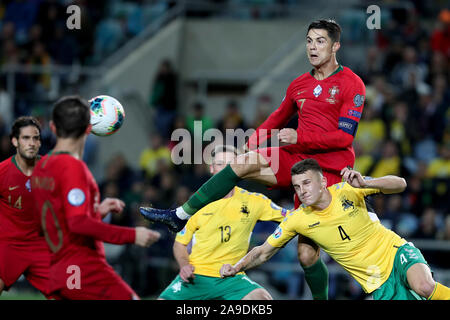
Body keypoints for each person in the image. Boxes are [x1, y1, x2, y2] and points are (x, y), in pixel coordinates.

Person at [141, 19, 366, 300]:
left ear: (335, 46)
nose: (312, 47)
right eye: (309, 40)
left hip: (329, 170)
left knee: (307, 256)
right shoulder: (299, 85)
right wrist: (248, 146)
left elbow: (344, 139)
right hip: (296, 161)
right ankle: (180, 215)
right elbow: (275, 118)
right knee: (241, 163)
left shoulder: (352, 84)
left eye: (320, 41)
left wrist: (300, 139)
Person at [220, 159, 450, 300]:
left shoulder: (348, 189)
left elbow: (401, 183)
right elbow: (263, 251)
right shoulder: (298, 219)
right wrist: (237, 267)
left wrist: (368, 182)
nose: (302, 191)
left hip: (395, 251)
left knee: (424, 286)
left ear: (322, 182)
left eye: (307, 183)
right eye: (297, 186)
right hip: (377, 282)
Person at [31, 96, 161, 300]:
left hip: (56, 269)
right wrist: (132, 235)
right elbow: (77, 223)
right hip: (83, 269)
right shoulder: (73, 168)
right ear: (88, 129)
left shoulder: (41, 167)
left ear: (52, 127)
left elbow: (57, 218)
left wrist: (96, 212)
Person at [159, 145, 286, 300]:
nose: (225, 169)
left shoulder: (255, 201)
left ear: (239, 169)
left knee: (261, 299)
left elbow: (290, 217)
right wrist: (184, 265)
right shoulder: (194, 203)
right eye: (220, 164)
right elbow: (180, 243)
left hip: (231, 277)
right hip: (196, 276)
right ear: (212, 168)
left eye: (230, 164)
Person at [0, 116, 52, 297]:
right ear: (15, 141)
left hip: (42, 245)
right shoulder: (2, 172)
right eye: (26, 138)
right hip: (7, 246)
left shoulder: (52, 169)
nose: (31, 143)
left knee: (74, 289)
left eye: (35, 138)